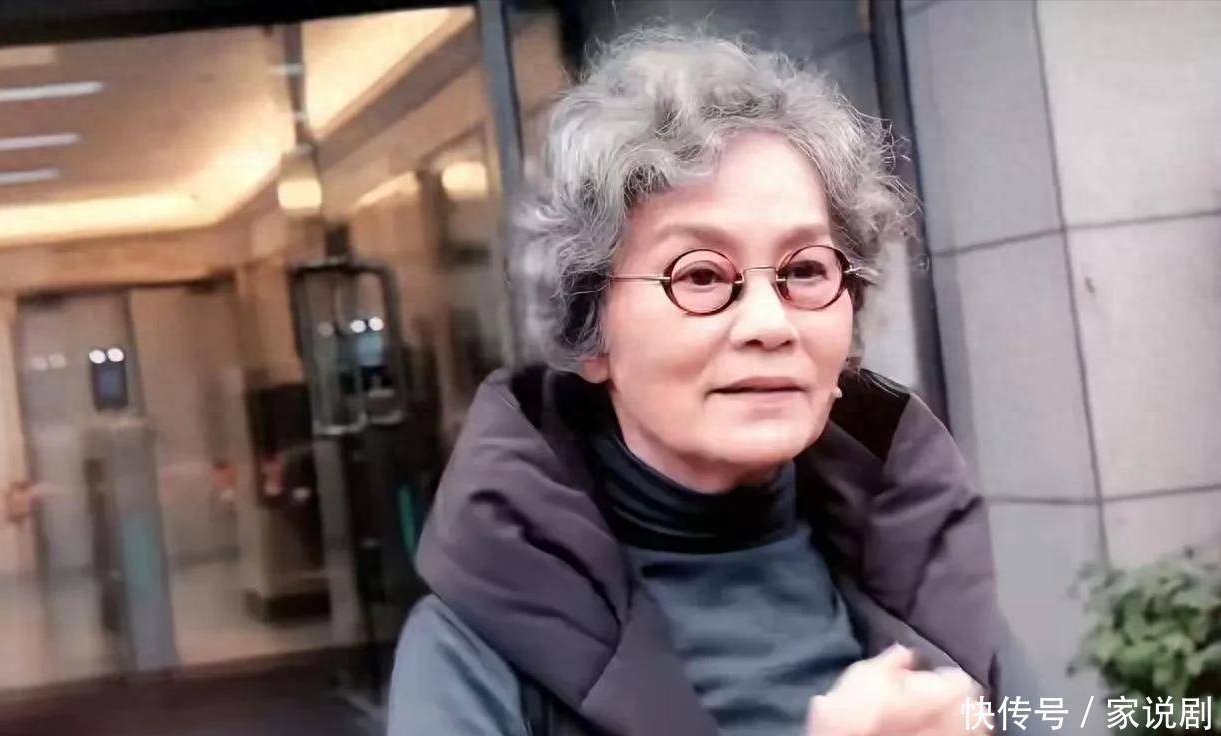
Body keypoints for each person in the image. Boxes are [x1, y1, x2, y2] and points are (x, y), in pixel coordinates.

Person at [387, 28, 1044, 736]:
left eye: (804, 271)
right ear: (591, 328)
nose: (769, 323)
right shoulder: (473, 646)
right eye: (700, 276)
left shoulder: (919, 565)